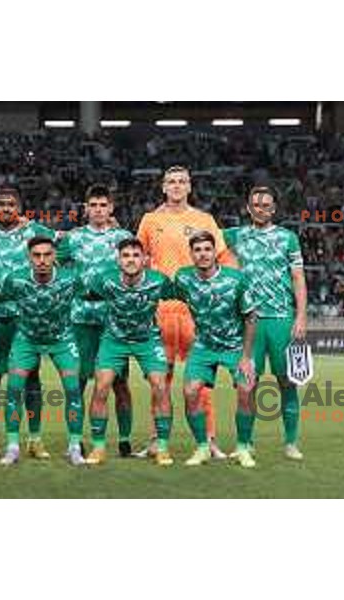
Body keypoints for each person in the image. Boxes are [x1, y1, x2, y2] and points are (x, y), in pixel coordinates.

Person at [137, 165, 233, 459]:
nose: (177, 186)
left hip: (197, 313)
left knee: (201, 381)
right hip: (160, 311)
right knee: (159, 379)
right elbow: (135, 259)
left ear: (189, 187)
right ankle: (156, 439)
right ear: (163, 187)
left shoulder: (204, 219)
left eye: (182, 181)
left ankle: (209, 440)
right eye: (171, 182)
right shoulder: (150, 220)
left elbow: (222, 257)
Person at [0, 188, 55, 460]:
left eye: (12, 204)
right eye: (1, 204)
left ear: (20, 207)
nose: (6, 208)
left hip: (24, 317)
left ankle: (35, 438)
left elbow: (66, 243)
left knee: (31, 377)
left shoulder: (34, 232)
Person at [224, 187, 307, 460]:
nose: (261, 208)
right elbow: (199, 233)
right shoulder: (235, 235)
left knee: (288, 382)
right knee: (247, 385)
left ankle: (291, 443)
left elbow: (297, 279)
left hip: (282, 320)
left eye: (266, 204)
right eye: (256, 204)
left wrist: (301, 315)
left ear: (274, 209)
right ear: (248, 208)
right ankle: (244, 443)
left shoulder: (288, 239)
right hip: (249, 322)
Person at [82, 239, 176, 466]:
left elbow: (181, 294)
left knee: (160, 386)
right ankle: (98, 447)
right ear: (118, 260)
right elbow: (88, 293)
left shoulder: (158, 281)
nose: (131, 259)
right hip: (114, 339)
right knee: (102, 386)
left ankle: (162, 447)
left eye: (136, 255)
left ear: (145, 259)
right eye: (126, 255)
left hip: (147, 339)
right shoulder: (104, 280)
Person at [57, 184, 134, 456]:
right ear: (86, 208)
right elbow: (53, 263)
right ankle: (74, 441)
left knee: (119, 382)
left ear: (111, 208)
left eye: (104, 205)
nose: (99, 210)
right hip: (80, 318)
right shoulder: (73, 238)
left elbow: (135, 267)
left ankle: (125, 442)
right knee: (77, 381)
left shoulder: (124, 237)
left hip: (113, 319)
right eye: (94, 205)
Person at [0, 236, 84, 467]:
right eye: (36, 255)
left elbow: (88, 294)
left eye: (47, 255)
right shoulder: (15, 280)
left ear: (55, 256)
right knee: (14, 389)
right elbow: (3, 297)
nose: (42, 260)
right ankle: (13, 446)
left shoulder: (70, 279)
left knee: (73, 389)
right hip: (26, 339)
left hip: (62, 339)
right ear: (29, 257)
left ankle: (75, 447)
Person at [175, 231, 258, 468]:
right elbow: (170, 293)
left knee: (245, 389)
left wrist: (246, 357)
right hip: (203, 346)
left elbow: (251, 317)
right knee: (190, 392)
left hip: (234, 346)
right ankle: (202, 446)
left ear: (215, 253)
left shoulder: (235, 279)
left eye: (207, 249)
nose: (203, 254)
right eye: (198, 250)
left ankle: (243, 447)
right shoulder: (183, 278)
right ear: (191, 254)